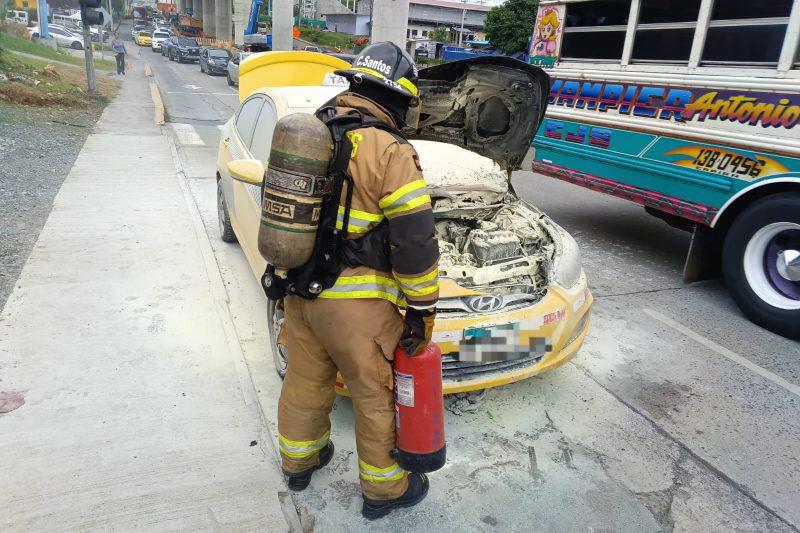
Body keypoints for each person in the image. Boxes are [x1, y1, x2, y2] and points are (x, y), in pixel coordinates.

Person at [276, 42, 440, 520]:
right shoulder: (390, 150)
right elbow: (414, 241)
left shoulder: (311, 131)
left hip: (300, 292)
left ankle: (298, 462)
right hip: (359, 311)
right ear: (397, 98)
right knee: (375, 398)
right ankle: (384, 491)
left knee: (305, 382)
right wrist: (422, 307)